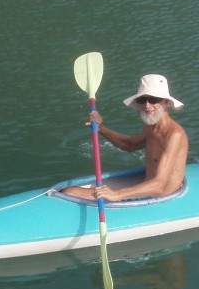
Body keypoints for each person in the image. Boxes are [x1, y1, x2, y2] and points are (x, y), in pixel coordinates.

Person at [62, 74, 189, 202]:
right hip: (148, 187)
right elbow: (130, 145)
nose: (147, 105)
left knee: (69, 193)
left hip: (161, 197)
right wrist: (101, 129)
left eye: (153, 99)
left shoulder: (174, 135)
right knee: (66, 192)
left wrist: (117, 195)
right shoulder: (152, 127)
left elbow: (159, 184)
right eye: (142, 100)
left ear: (165, 101)